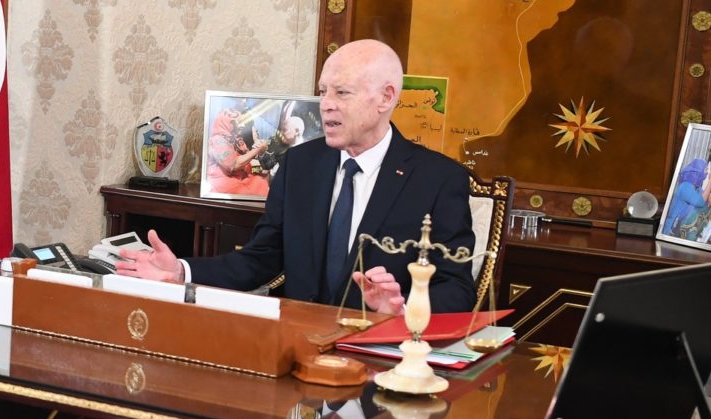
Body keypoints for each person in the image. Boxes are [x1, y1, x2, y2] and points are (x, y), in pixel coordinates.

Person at [118, 39, 474, 315]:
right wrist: (182, 271)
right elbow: (261, 258)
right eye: (323, 91)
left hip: (380, 355)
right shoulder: (301, 164)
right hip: (296, 346)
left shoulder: (439, 180)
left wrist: (402, 307)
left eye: (341, 92)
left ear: (386, 97)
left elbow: (457, 289)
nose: (326, 103)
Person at [204, 106, 270, 196]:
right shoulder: (217, 140)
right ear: (226, 123)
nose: (243, 126)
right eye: (239, 122)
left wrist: (260, 170)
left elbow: (250, 163)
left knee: (263, 181)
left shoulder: (238, 140)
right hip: (222, 182)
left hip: (239, 178)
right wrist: (257, 150)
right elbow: (233, 165)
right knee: (255, 189)